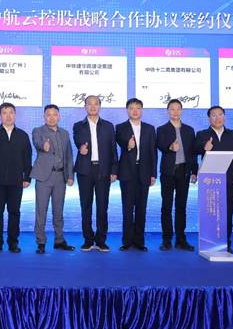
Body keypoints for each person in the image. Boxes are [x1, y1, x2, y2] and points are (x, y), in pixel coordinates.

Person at [194, 105, 233, 253]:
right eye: (214, 115)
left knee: (227, 214)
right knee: (209, 213)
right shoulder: (202, 134)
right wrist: (204, 147)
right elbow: (193, 150)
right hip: (209, 183)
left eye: (220, 115)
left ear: (224, 117)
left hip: (230, 182)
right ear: (209, 118)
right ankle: (209, 243)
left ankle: (225, 243)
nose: (217, 118)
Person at [0, 102, 32, 253]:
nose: (8, 116)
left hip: (16, 180)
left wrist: (27, 178)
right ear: (0, 115)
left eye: (11, 112)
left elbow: (27, 158)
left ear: (15, 114)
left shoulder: (23, 135)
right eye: (4, 113)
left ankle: (13, 243)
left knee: (14, 212)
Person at [72, 95, 118, 252]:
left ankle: (101, 241)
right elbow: (78, 141)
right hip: (85, 170)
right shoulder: (78, 126)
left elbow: (113, 149)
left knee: (102, 207)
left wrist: (114, 170)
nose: (92, 107)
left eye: (96, 104)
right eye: (89, 104)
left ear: (100, 106)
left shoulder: (108, 126)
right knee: (86, 206)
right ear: (85, 107)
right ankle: (88, 240)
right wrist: (81, 148)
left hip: (103, 170)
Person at [30, 104, 75, 254]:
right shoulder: (38, 131)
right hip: (44, 177)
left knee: (58, 211)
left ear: (59, 116)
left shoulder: (65, 133)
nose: (51, 117)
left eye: (54, 114)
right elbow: (37, 143)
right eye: (48, 115)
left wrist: (70, 175)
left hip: (60, 177)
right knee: (41, 211)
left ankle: (59, 240)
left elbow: (69, 155)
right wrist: (43, 145)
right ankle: (41, 242)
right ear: (44, 117)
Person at [156, 99, 197, 252]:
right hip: (168, 172)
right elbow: (159, 145)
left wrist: (194, 171)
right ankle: (166, 239)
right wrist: (170, 147)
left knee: (181, 206)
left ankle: (181, 239)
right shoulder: (161, 129)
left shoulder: (189, 130)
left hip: (184, 172)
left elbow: (192, 152)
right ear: (168, 111)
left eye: (178, 108)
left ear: (182, 111)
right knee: (166, 206)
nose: (175, 111)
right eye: (172, 109)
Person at [115, 98, 156, 252]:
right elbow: (120, 141)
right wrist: (128, 145)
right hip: (127, 173)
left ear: (142, 110)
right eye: (131, 108)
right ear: (127, 110)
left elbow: (153, 152)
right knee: (127, 208)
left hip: (144, 172)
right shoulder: (120, 127)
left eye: (138, 108)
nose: (135, 111)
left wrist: (153, 174)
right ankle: (127, 241)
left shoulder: (150, 128)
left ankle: (139, 241)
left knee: (141, 208)